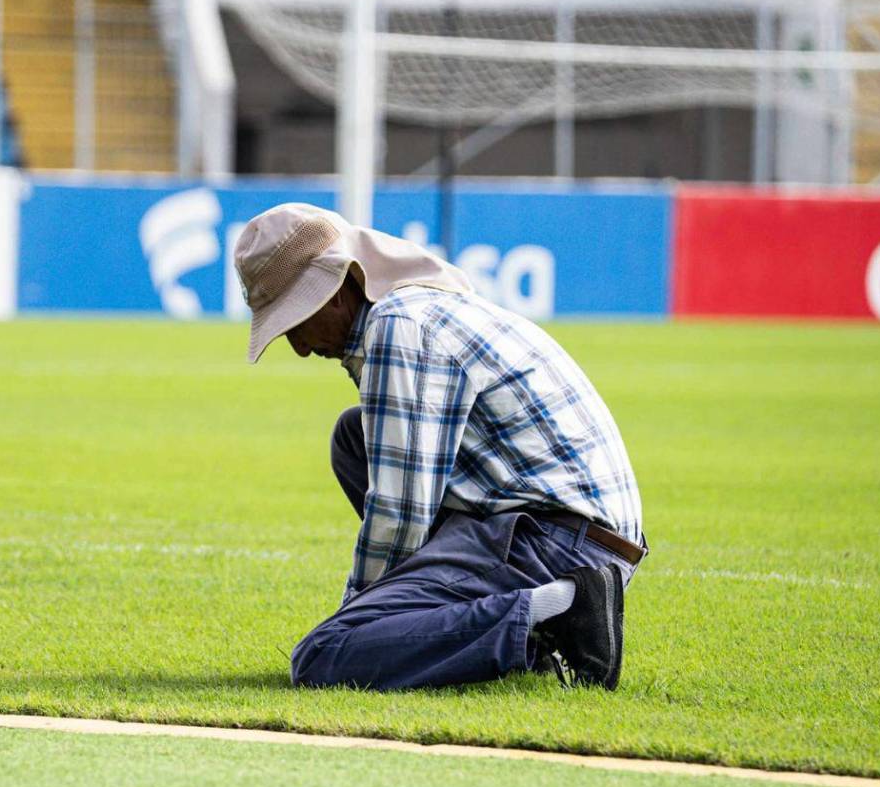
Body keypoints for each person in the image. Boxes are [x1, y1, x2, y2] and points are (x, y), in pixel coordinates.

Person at [234, 202, 647, 691]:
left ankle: (560, 610)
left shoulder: (398, 328)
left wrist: (365, 621)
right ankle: (513, 618)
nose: (300, 347)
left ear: (337, 292)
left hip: (557, 544)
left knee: (325, 655)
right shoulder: (419, 304)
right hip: (577, 533)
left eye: (295, 322)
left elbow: (400, 509)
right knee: (355, 437)